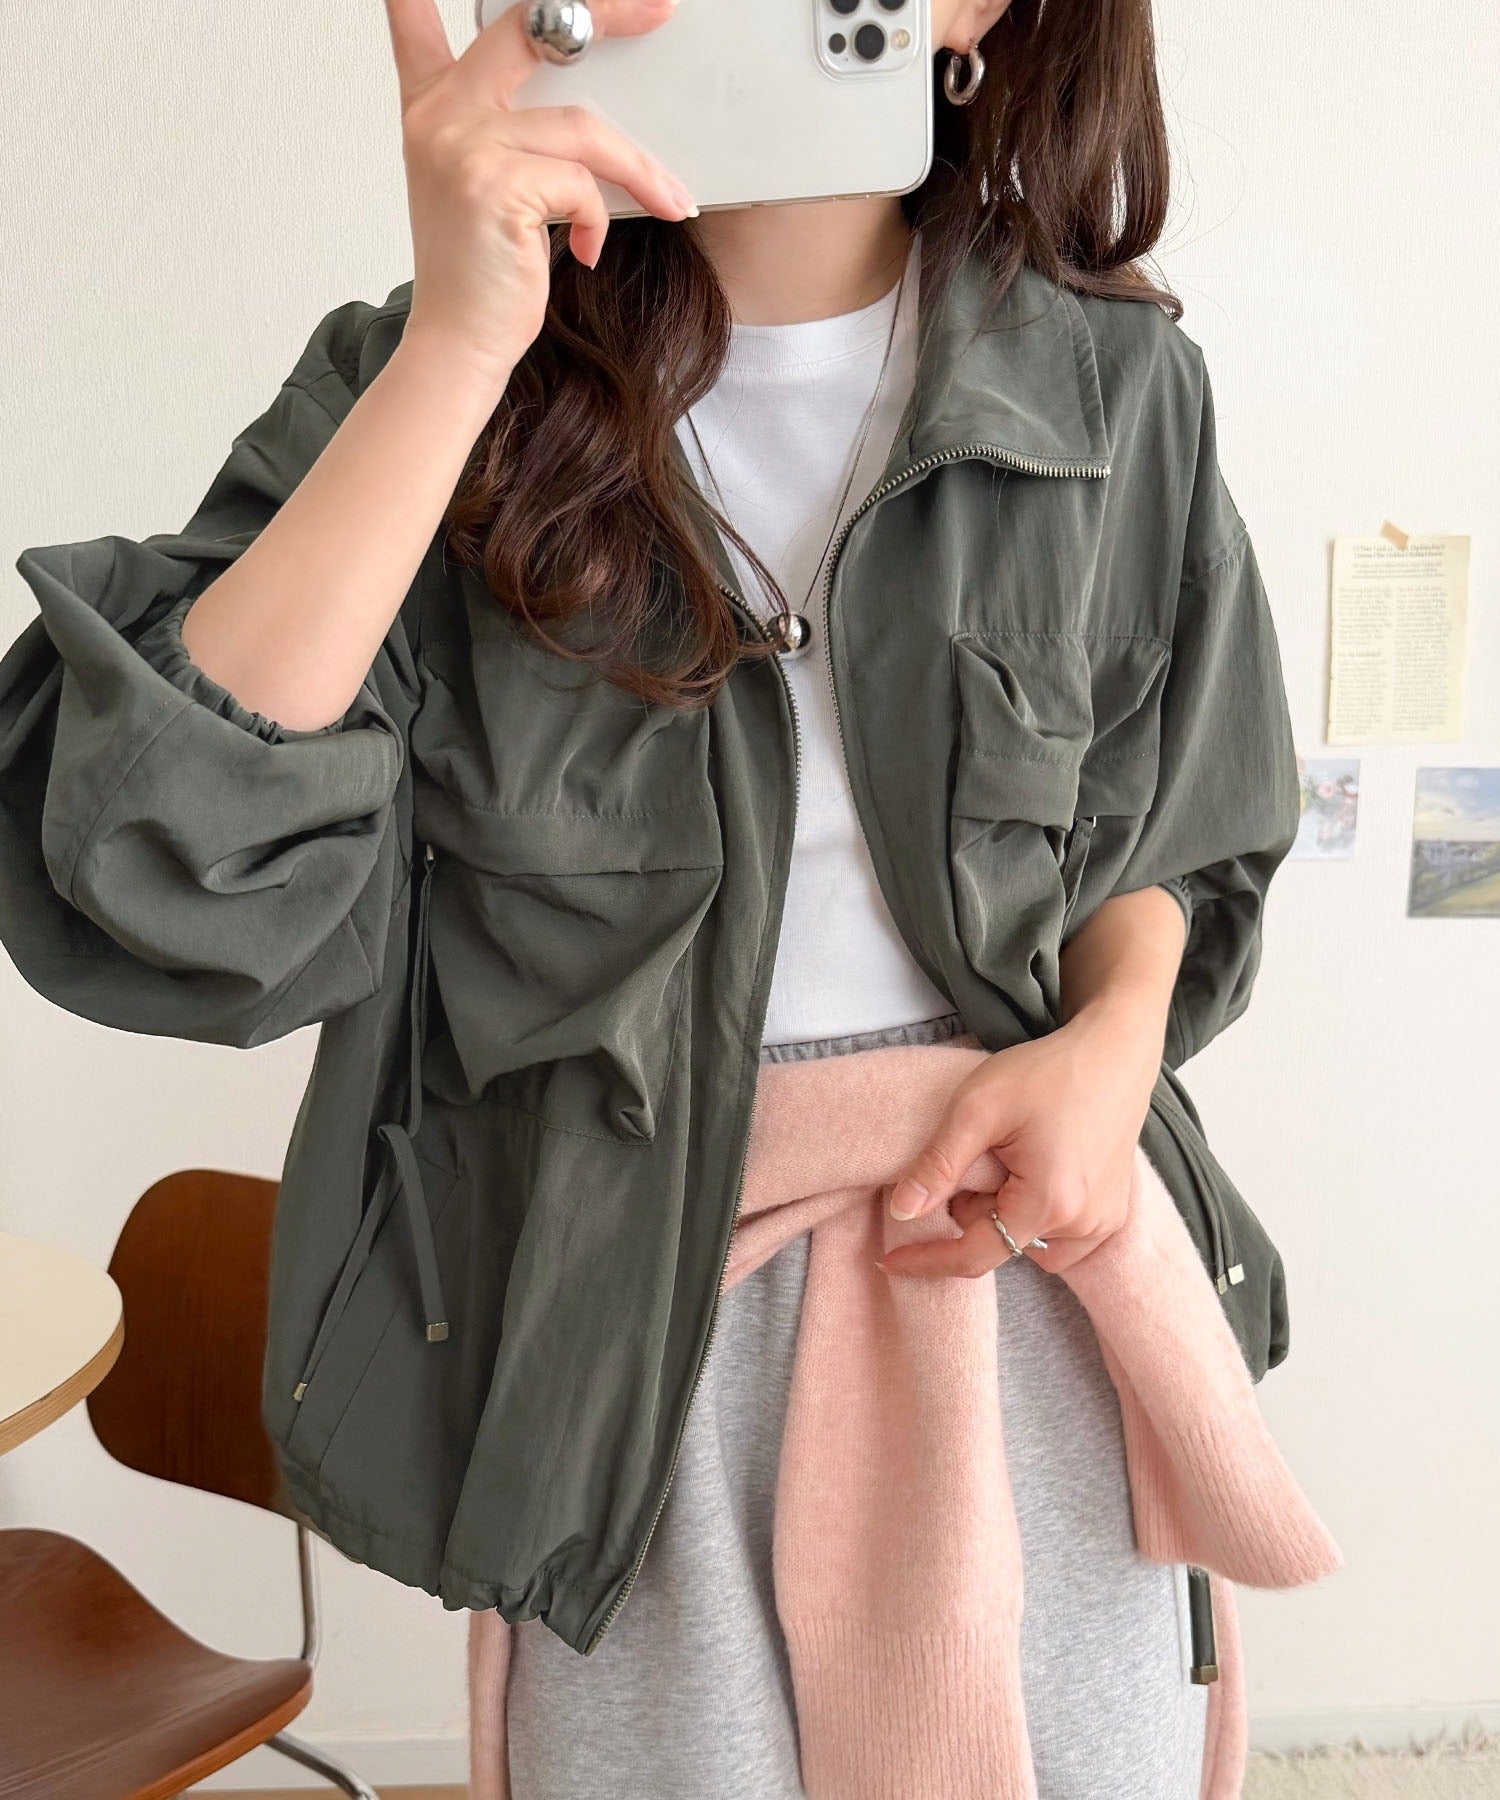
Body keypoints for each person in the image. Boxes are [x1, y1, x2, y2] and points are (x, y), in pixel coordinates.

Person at [0, 0, 1307, 1794]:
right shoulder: (426, 388)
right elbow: (172, 880)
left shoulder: (1113, 383)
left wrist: (1113, 1042)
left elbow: (1177, 818)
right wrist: (460, 345)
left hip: (1028, 1281)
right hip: (621, 1338)